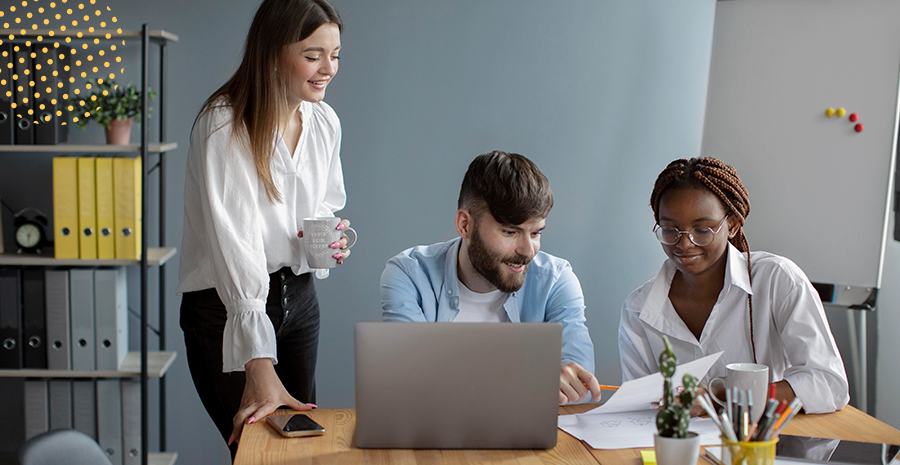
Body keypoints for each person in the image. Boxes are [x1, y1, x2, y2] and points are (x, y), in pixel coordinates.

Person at [176, 0, 351, 456]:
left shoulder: (324, 121)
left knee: (301, 449)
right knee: (256, 452)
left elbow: (322, 206)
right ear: (273, 52)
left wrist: (329, 241)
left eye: (335, 55)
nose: (328, 68)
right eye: (313, 55)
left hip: (299, 299)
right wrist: (258, 363)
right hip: (227, 307)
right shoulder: (225, 124)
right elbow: (235, 246)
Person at [618, 157, 849, 413]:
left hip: (763, 446)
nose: (684, 244)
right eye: (670, 229)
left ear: (732, 225)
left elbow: (829, 384)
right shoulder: (638, 309)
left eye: (703, 229)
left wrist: (719, 393)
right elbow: (639, 407)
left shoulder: (777, 280)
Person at [381, 151, 601, 404]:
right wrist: (534, 380)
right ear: (465, 225)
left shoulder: (556, 280)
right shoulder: (409, 275)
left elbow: (580, 391)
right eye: (510, 232)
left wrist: (569, 382)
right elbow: (408, 382)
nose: (528, 251)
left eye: (536, 233)